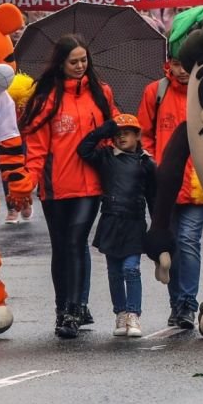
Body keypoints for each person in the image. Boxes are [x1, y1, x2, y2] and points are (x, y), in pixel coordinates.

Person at [19, 36, 117, 339]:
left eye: (83, 60)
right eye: (73, 62)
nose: (79, 66)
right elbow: (36, 148)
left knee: (76, 242)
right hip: (56, 185)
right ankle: (63, 307)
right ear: (60, 63)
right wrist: (27, 181)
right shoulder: (44, 98)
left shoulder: (102, 93)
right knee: (61, 248)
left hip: (91, 184)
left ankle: (73, 311)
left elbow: (111, 134)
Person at [139, 58, 203, 329]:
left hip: (197, 181)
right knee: (171, 243)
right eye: (178, 64)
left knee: (189, 240)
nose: (183, 71)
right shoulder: (155, 92)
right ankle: (177, 302)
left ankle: (188, 304)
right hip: (164, 184)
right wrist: (155, 164)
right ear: (169, 63)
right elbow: (145, 134)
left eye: (188, 65)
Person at [78, 111, 157, 338]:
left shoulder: (146, 162)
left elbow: (154, 196)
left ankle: (134, 314)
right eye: (118, 134)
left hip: (134, 222)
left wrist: (158, 227)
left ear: (137, 136)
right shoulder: (106, 156)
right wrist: (105, 129)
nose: (122, 138)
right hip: (111, 220)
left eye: (127, 133)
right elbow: (83, 149)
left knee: (130, 269)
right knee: (114, 272)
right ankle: (120, 313)